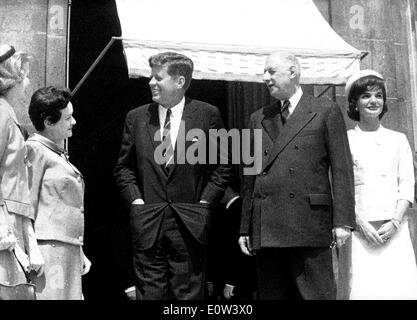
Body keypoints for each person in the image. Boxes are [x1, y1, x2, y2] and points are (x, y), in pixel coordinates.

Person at [114, 51, 233, 300]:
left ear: (179, 82)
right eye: (151, 77)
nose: (151, 82)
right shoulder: (136, 118)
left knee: (188, 298)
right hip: (148, 222)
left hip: (190, 223)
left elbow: (223, 165)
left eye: (158, 77)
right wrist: (136, 202)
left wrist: (204, 204)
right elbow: (124, 168)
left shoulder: (207, 115)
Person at [238, 52, 356, 300]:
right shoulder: (258, 117)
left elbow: (342, 168)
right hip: (268, 226)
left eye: (271, 71)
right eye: (264, 72)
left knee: (316, 295)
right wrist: (245, 227)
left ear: (292, 72)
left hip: (309, 223)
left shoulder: (325, 110)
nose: (264, 78)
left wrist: (342, 221)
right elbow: (250, 176)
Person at [345, 70, 417, 299]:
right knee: (361, 290)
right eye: (366, 96)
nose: (373, 101)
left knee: (398, 290)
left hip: (393, 231)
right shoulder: (345, 140)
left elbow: (407, 184)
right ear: (355, 103)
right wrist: (359, 224)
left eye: (378, 95)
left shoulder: (398, 139)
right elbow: (339, 187)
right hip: (359, 233)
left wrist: (395, 222)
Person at [25, 86, 91, 299]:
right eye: (67, 118)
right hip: (49, 252)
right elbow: (26, 205)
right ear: (48, 122)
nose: (74, 122)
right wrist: (32, 250)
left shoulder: (56, 153)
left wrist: (79, 251)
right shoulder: (34, 150)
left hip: (68, 252)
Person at [0, 44, 44, 287]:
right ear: (13, 79)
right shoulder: (1, 114)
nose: (27, 83)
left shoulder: (8, 113)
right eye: (25, 75)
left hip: (14, 220)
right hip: (4, 224)